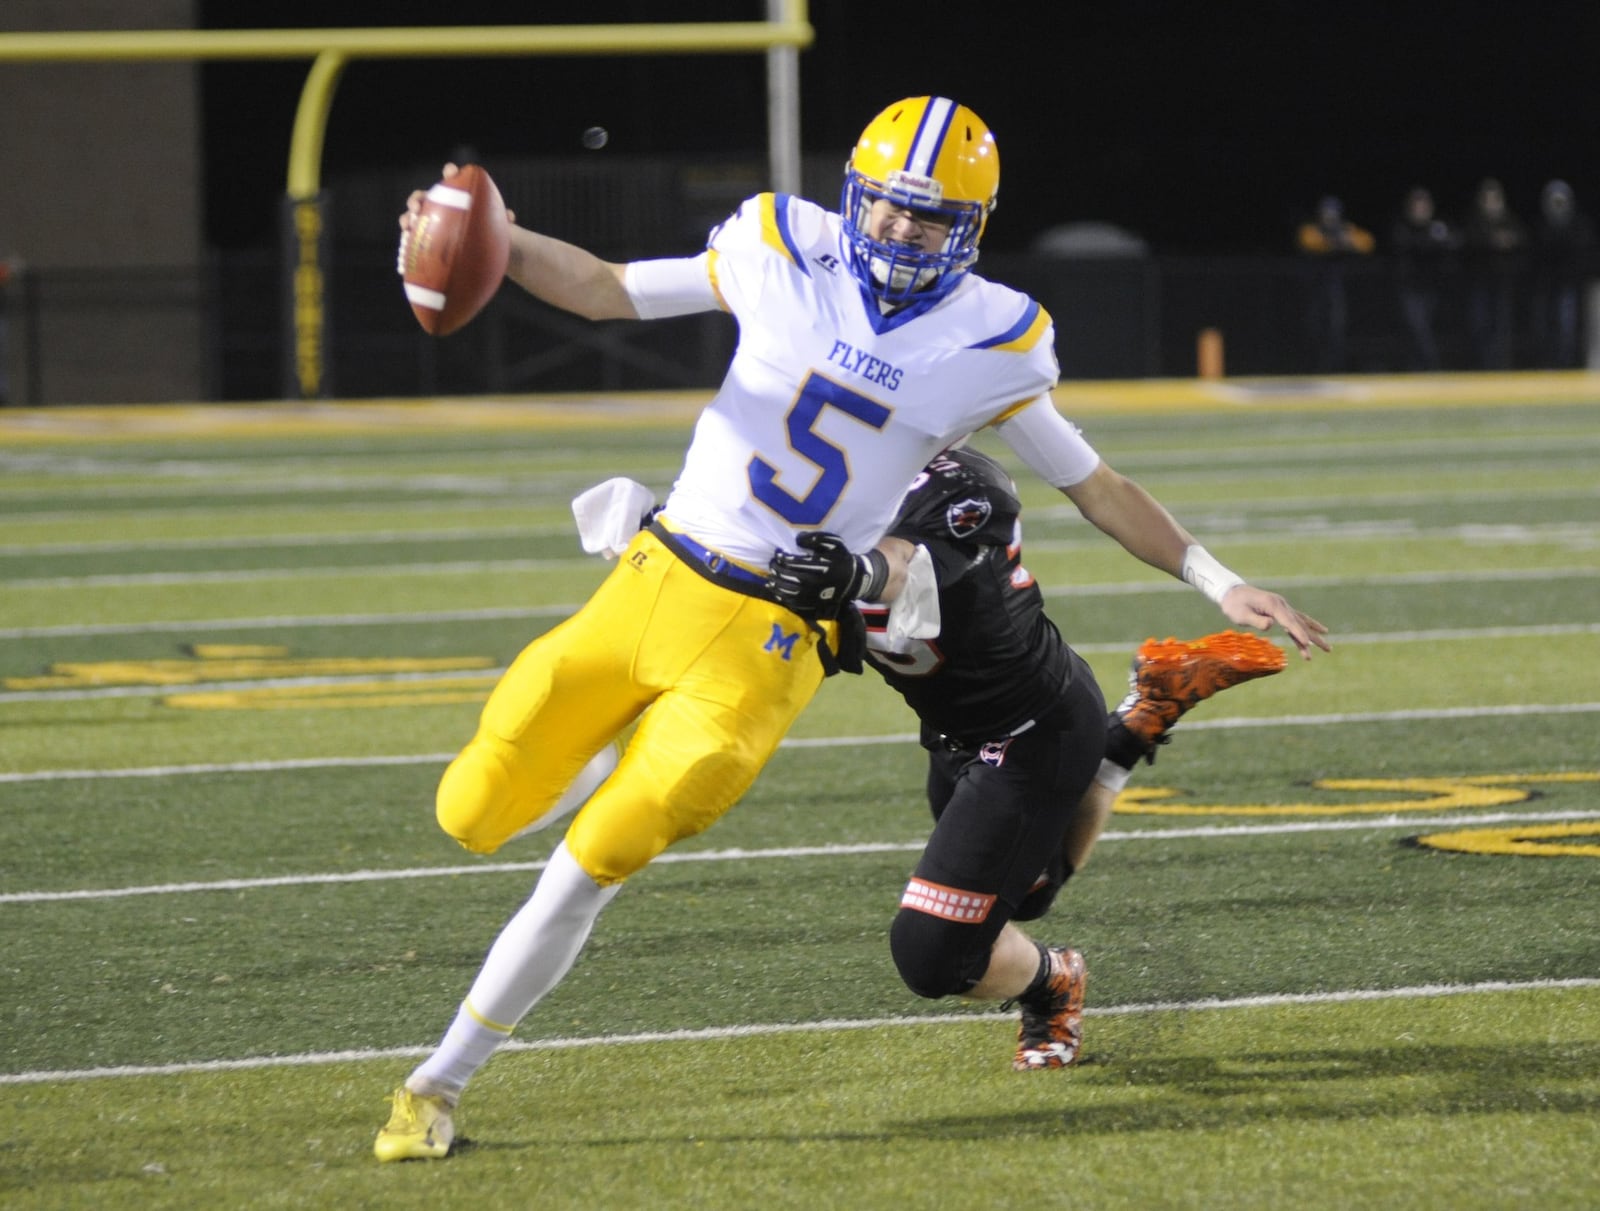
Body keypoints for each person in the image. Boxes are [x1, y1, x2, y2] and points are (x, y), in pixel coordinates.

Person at [376, 94, 1330, 1161]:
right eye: (884, 208)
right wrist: (486, 232)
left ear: (968, 230)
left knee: (598, 855)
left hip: (769, 640)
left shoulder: (993, 339)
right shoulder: (780, 245)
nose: (898, 233)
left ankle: (438, 1082)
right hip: (656, 577)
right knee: (468, 808)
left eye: (928, 220)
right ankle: (595, 755)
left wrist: (1215, 576)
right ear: (853, 196)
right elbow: (603, 290)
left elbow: (1094, 484)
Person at [768, 445, 1293, 1071]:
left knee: (934, 954)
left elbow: (905, 565)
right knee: (1022, 893)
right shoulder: (803, 483)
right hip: (954, 729)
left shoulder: (959, 487)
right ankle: (1135, 726)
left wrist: (851, 577)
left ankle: (1054, 982)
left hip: (1032, 730)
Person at [1295, 195, 1375, 372]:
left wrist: (1346, 242)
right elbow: (1309, 241)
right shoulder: (1313, 229)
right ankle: (1312, 368)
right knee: (1313, 329)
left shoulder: (1345, 229)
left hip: (1337, 290)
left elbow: (1367, 243)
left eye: (1333, 213)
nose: (1329, 217)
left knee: (1336, 330)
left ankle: (1334, 368)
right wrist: (1335, 243)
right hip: (1313, 290)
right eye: (1326, 213)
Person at [1460, 177, 1528, 369]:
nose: (1492, 204)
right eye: (1487, 199)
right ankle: (1481, 366)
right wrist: (1491, 241)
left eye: (1495, 199)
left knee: (1501, 327)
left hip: (1503, 283)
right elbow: (1468, 244)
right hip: (1479, 283)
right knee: (1479, 325)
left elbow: (1523, 241)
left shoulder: (1510, 220)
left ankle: (1501, 366)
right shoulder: (1474, 222)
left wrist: (1509, 241)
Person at [1388, 186, 1457, 371]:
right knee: (1417, 328)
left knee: (1428, 329)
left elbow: (1452, 244)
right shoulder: (1403, 228)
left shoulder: (1437, 227)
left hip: (1433, 289)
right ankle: (1431, 368)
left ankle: (1419, 368)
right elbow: (1409, 247)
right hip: (1409, 288)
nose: (1421, 210)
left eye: (1424, 206)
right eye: (1417, 206)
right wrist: (1431, 241)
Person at [1529, 179, 1595, 368]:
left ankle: (1566, 363)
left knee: (1567, 326)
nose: (1558, 206)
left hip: (1569, 285)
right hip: (1546, 286)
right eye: (1554, 201)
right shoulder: (1542, 225)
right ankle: (1548, 362)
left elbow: (1582, 253)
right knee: (1544, 326)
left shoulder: (1578, 224)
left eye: (1561, 201)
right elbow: (1539, 254)